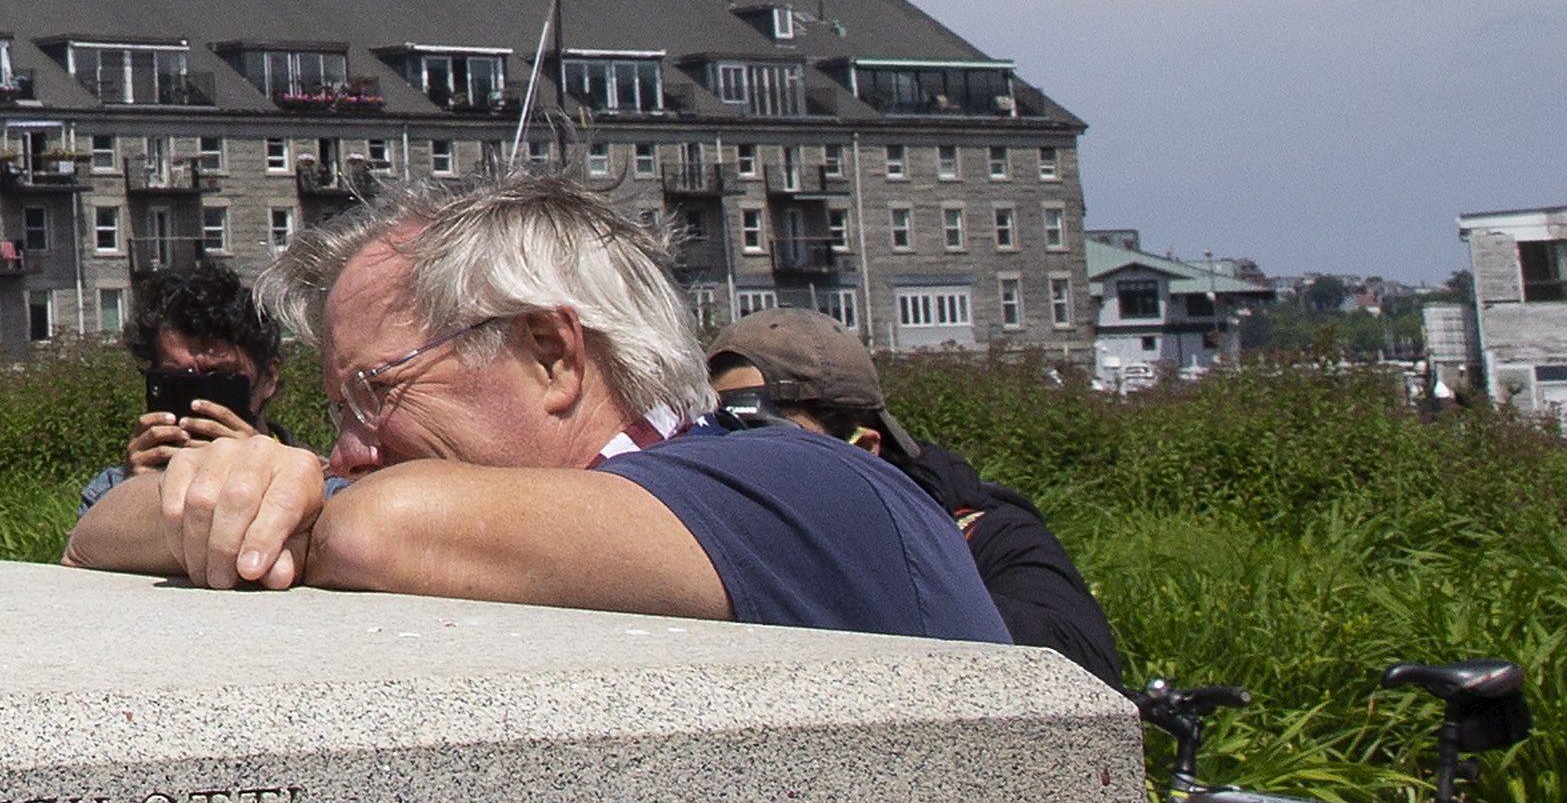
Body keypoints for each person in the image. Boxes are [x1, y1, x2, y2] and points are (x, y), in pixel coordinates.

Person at [71, 174, 1001, 641]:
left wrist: (271, 494)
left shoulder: (795, 485)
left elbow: (381, 531)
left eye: (375, 391)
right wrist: (226, 487)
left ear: (553, 353)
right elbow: (97, 529)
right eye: (334, 409)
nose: (347, 446)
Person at [708, 312, 1124, 683]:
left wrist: (856, 573)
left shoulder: (982, 533)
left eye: (764, 443)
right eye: (719, 439)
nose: (743, 469)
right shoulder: (718, 539)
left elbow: (1083, 669)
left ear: (862, 449)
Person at [62, 265, 286, 556]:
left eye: (220, 378)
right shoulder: (109, 488)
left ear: (268, 378)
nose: (200, 401)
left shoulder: (320, 480)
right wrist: (136, 494)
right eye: (179, 380)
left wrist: (265, 474)